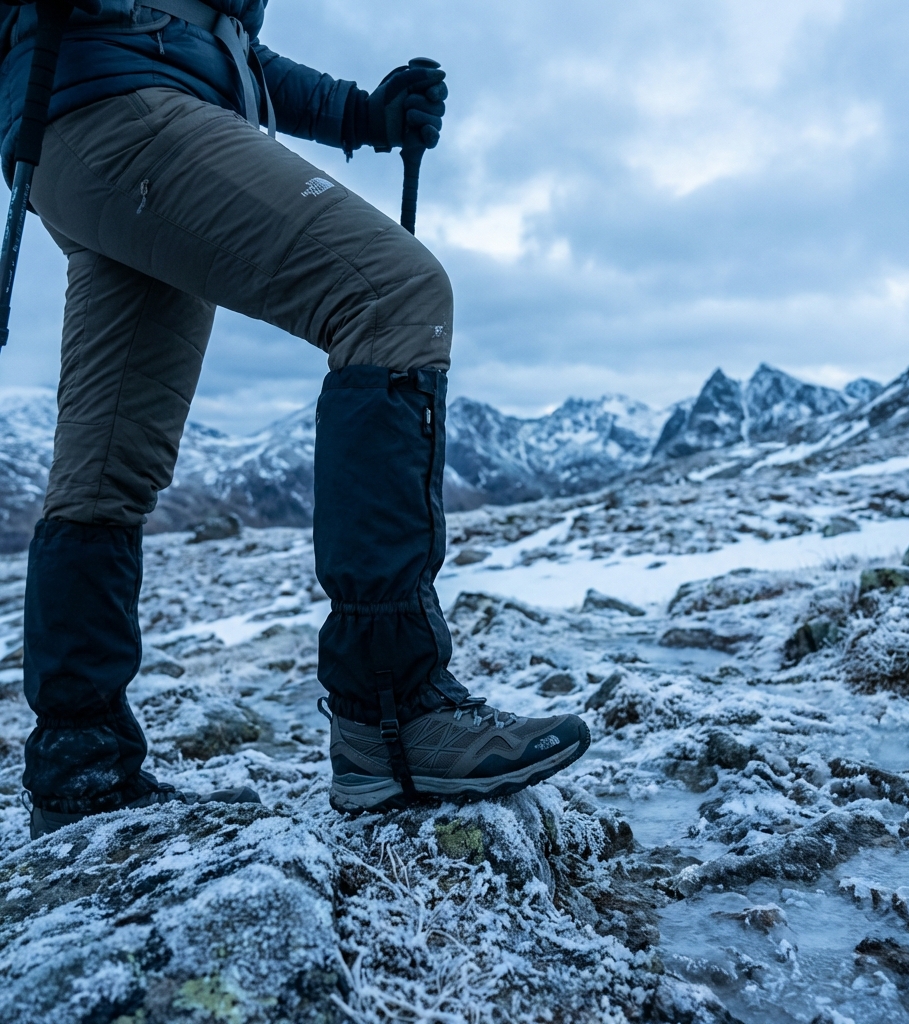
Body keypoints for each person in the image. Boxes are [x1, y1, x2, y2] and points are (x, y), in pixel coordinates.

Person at [1, 0, 590, 839]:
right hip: (122, 112)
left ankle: (80, 767)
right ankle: (393, 713)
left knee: (106, 463)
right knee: (391, 294)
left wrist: (362, 114)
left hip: (91, 130)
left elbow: (225, 50)